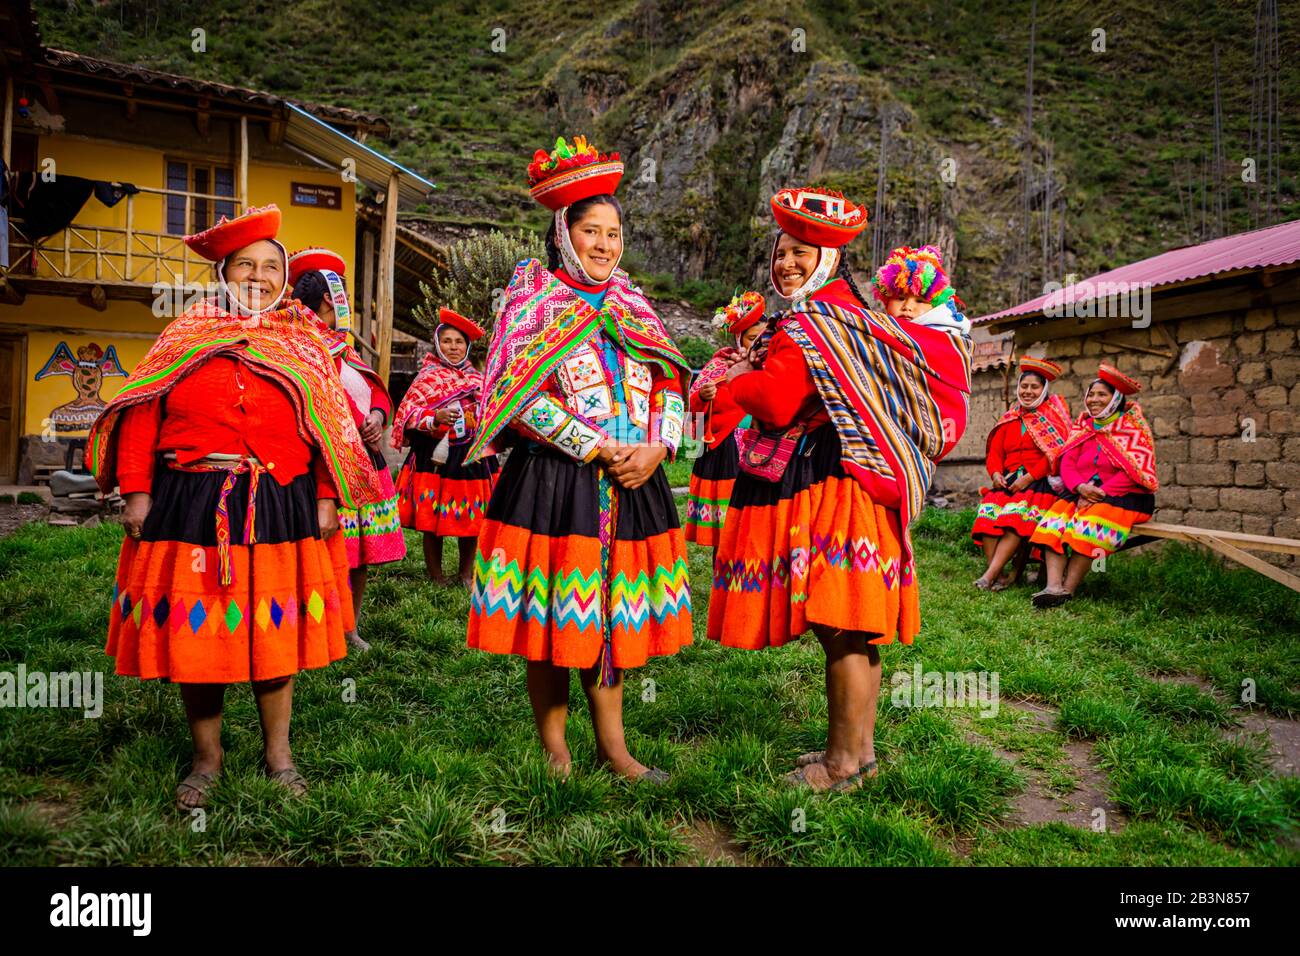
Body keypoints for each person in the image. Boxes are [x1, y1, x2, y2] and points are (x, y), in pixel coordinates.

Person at [88, 205, 385, 809]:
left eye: (270, 267)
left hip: (279, 501)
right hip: (191, 501)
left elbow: (328, 425)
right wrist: (138, 491)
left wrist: (329, 495)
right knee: (198, 639)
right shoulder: (186, 331)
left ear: (284, 278)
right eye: (245, 265)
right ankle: (207, 759)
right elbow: (143, 409)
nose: (258, 275)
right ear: (223, 273)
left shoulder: (303, 340)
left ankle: (279, 754)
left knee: (274, 636)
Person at [708, 190, 973, 791]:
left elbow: (777, 399)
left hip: (837, 483)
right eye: (780, 253)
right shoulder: (844, 314)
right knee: (852, 625)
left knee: (843, 624)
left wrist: (730, 384)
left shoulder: (817, 321)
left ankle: (842, 764)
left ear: (827, 258)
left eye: (801, 252)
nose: (787, 264)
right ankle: (859, 751)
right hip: (854, 479)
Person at [464, 134, 692, 783]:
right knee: (551, 619)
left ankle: (615, 750)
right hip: (554, 484)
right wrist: (592, 442)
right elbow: (509, 398)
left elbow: (671, 381)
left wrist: (658, 446)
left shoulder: (632, 303)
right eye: (592, 231)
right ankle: (556, 751)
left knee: (610, 620)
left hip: (633, 481)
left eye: (614, 234)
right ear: (564, 232)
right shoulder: (531, 304)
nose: (604, 245)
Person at [288, 248, 406, 649]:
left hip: (363, 458)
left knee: (359, 551)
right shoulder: (299, 345)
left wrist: (376, 415)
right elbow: (322, 398)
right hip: (323, 465)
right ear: (328, 298)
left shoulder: (343, 346)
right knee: (326, 548)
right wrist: (359, 420)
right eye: (340, 294)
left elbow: (373, 387)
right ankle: (314, 627)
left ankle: (348, 625)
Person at [1029, 363, 1157, 608]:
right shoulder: (1084, 426)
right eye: (1091, 394)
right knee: (1052, 523)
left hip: (1124, 496)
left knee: (1089, 527)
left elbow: (1133, 471)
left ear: (1115, 398)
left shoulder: (1132, 429)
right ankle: (1053, 587)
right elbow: (1068, 463)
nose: (1094, 399)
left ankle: (1068, 590)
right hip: (1080, 492)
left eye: (1102, 395)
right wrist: (1079, 488)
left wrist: (1100, 493)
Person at [391, 308, 494, 586]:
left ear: (467, 346)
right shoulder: (426, 378)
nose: (453, 347)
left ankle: (464, 574)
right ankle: (436, 576)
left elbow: (490, 412)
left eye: (459, 342)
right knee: (432, 518)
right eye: (447, 341)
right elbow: (406, 415)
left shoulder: (476, 379)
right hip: (434, 456)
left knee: (471, 518)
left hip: (470, 456)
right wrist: (433, 417)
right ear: (438, 344)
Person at [971, 356, 1072, 591]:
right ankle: (1000, 573)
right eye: (1023, 386)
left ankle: (989, 577)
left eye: (1034, 387)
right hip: (1007, 482)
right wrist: (996, 474)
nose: (1027, 391)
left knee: (1015, 518)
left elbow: (1056, 455)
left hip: (1038, 484)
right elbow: (995, 453)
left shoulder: (1053, 418)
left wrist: (1028, 478)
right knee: (987, 515)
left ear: (1043, 390)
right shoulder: (1010, 418)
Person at [684, 290, 766, 547]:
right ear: (740, 338)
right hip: (728, 448)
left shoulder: (772, 364)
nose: (757, 344)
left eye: (762, 338)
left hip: (762, 446)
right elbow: (694, 397)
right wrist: (705, 396)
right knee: (727, 528)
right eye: (752, 338)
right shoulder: (720, 363)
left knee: (757, 527)